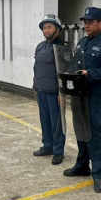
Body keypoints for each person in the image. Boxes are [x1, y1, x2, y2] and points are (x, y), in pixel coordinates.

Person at [63, 7, 101, 193]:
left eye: (90, 22)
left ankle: (98, 173)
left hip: (94, 96)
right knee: (81, 130)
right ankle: (82, 166)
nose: (86, 25)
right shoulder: (82, 42)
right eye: (85, 22)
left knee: (95, 134)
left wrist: (90, 74)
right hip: (78, 94)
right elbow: (75, 64)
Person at [32, 14, 66, 165]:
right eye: (44, 28)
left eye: (49, 27)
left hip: (54, 93)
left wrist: (62, 93)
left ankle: (58, 151)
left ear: (57, 29)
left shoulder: (63, 47)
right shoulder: (40, 46)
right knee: (45, 121)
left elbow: (65, 72)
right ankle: (47, 146)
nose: (46, 30)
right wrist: (35, 87)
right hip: (41, 90)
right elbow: (36, 68)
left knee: (57, 124)